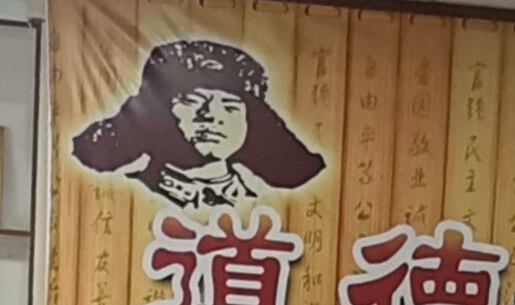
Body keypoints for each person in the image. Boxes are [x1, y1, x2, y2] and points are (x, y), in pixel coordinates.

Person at [67, 36, 326, 208]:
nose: (211, 116)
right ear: (160, 115)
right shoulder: (126, 196)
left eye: (230, 106)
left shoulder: (266, 200)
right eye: (191, 102)